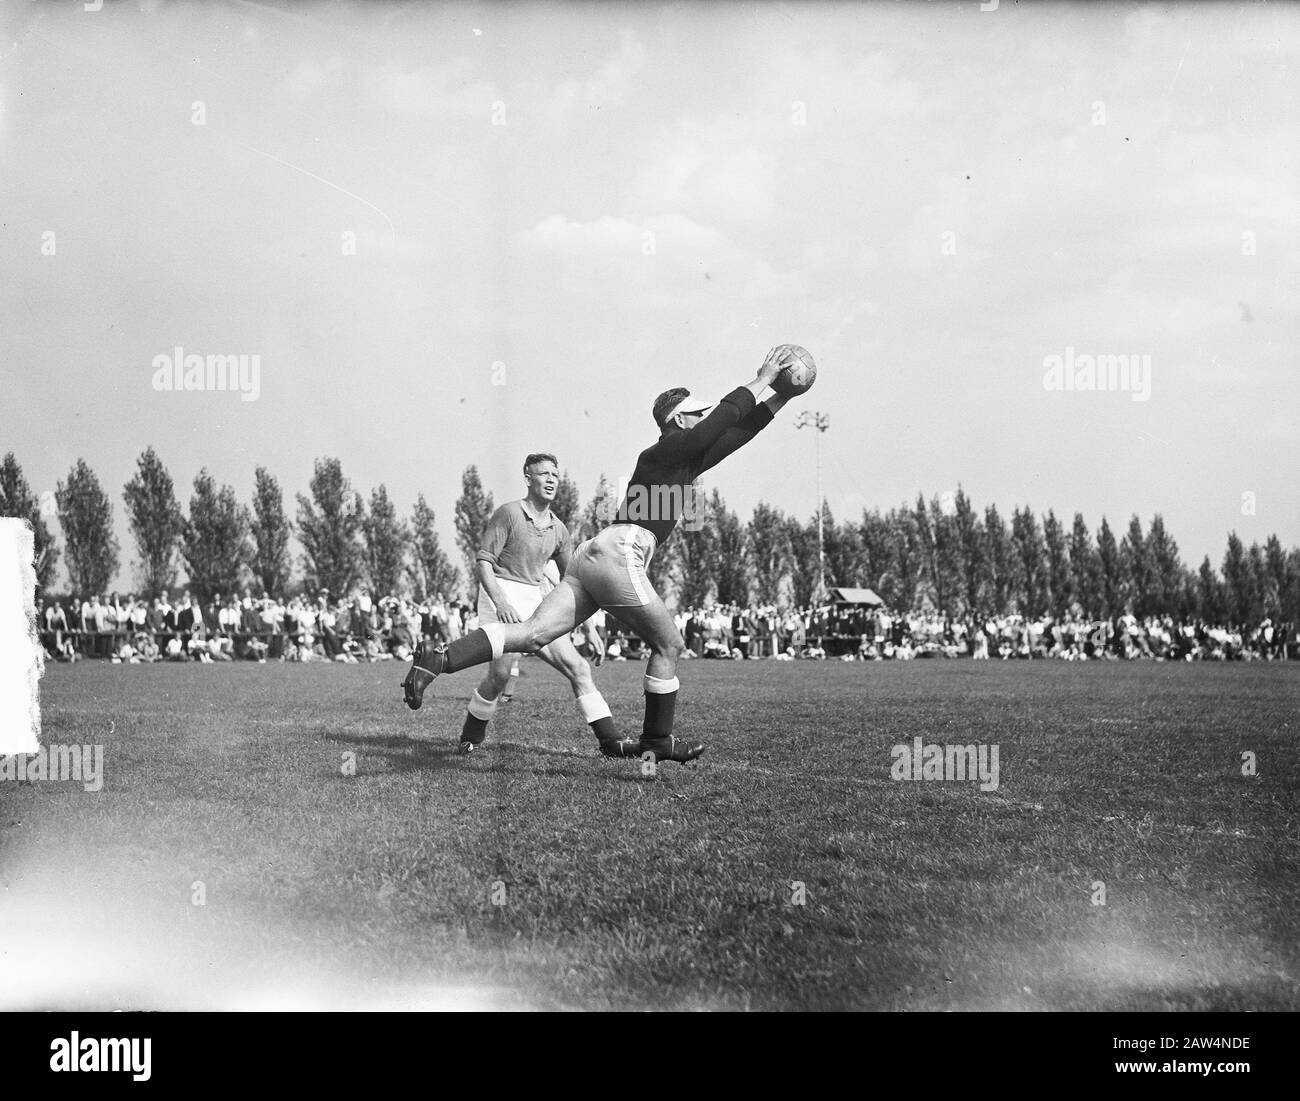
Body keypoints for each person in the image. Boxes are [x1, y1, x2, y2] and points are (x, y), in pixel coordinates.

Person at [402, 346, 793, 762]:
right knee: (670, 644)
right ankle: (658, 740)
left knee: (534, 634)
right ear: (679, 420)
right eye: (697, 414)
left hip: (595, 555)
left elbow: (738, 432)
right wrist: (763, 377)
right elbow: (723, 419)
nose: (705, 420)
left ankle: (439, 658)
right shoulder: (665, 449)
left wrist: (782, 396)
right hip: (619, 551)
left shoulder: (681, 461)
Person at [448, 452, 628, 758]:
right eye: (543, 474)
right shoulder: (508, 513)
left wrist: (590, 630)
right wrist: (501, 602)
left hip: (534, 599)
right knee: (499, 678)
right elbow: (483, 562)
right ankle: (470, 735)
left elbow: (573, 582)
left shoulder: (559, 529)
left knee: (578, 667)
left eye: (555, 476)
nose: (551, 481)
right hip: (501, 593)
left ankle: (611, 743)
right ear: (528, 478)